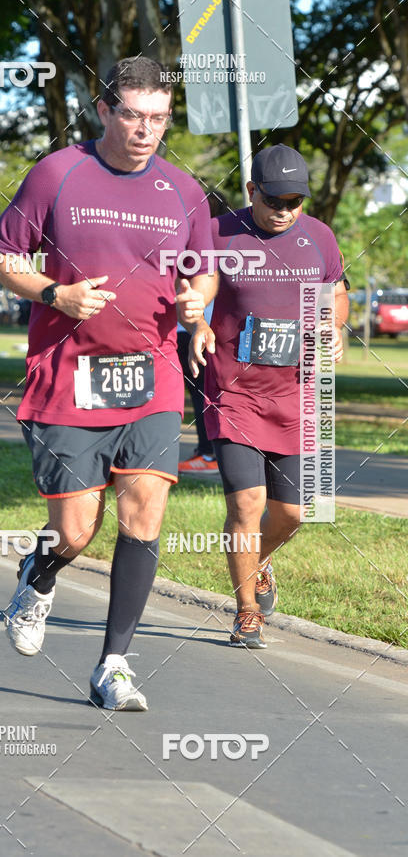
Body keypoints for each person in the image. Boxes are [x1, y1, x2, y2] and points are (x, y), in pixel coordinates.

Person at [0, 57, 215, 709]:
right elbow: (3, 256)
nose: (147, 130)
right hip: (68, 375)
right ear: (104, 110)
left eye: (160, 118)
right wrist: (55, 293)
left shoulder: (184, 190)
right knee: (78, 531)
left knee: (144, 512)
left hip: (153, 375)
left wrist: (196, 305)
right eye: (134, 116)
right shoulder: (59, 173)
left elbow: (202, 271)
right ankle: (42, 570)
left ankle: (114, 664)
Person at [189, 145, 349, 648]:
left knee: (295, 513)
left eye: (295, 200)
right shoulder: (218, 232)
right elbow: (197, 287)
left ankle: (258, 560)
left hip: (299, 394)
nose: (284, 210)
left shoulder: (319, 236)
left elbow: (337, 292)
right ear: (251, 190)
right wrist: (196, 321)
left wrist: (334, 324)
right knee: (246, 504)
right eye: (274, 199)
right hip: (234, 393)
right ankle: (246, 610)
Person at [177, 191, 230, 475]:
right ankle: (209, 450)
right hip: (208, 328)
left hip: (192, 328)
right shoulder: (225, 240)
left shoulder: (196, 241)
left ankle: (209, 453)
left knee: (201, 394)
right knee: (206, 392)